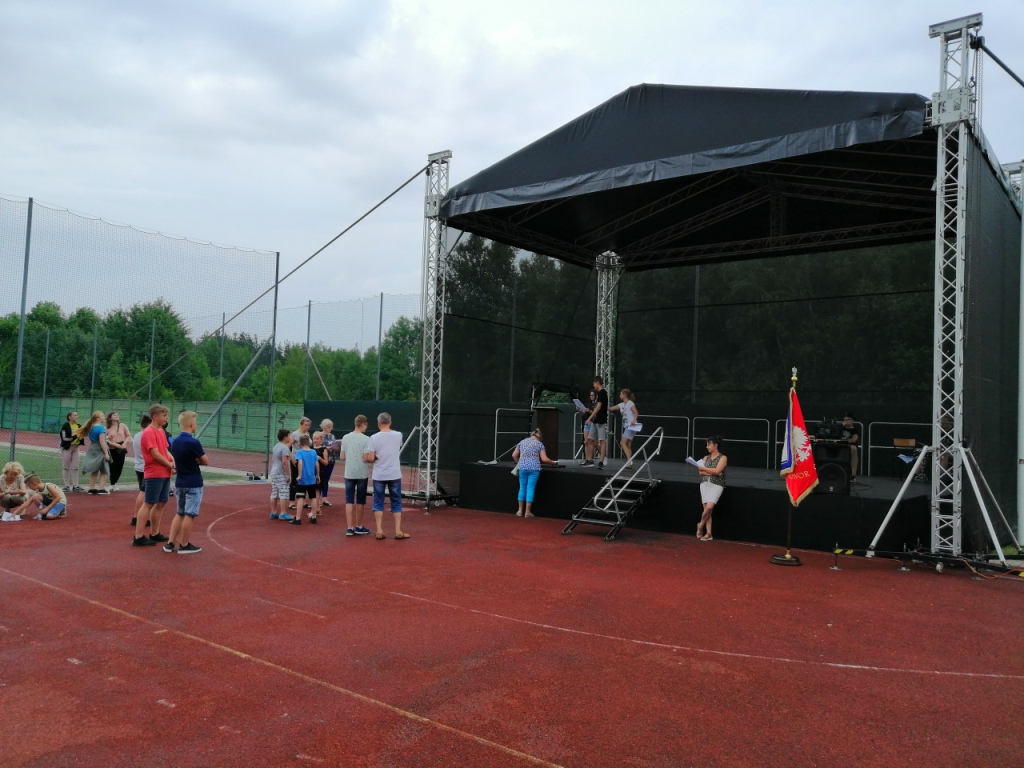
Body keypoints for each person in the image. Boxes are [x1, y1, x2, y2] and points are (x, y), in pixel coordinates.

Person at [165, 410, 208, 554]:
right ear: (190, 424)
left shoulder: (175, 441)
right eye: (195, 422)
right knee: (190, 514)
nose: (196, 424)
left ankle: (170, 543)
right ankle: (184, 544)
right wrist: (197, 460)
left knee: (180, 513)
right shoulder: (193, 442)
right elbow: (205, 460)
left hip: (180, 482)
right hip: (193, 482)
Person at [134, 404, 175, 547]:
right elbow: (155, 454)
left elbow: (165, 450)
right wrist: (169, 464)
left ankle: (155, 533)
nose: (166, 418)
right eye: (164, 415)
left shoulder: (161, 431)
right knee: (148, 503)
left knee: (161, 502)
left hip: (164, 472)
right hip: (154, 473)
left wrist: (172, 462)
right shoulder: (148, 432)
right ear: (155, 417)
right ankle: (139, 536)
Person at [364, 412, 408, 540]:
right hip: (394, 473)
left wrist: (372, 458)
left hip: (379, 474)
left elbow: (371, 458)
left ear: (379, 423)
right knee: (396, 501)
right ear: (390, 422)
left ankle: (379, 530)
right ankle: (398, 530)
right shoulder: (398, 435)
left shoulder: (373, 438)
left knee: (378, 502)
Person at [512, 428, 559, 518]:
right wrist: (553, 462)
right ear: (540, 437)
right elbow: (544, 459)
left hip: (522, 467)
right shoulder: (539, 444)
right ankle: (527, 512)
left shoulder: (522, 442)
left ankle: (519, 511)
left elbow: (514, 455)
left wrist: (519, 462)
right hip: (534, 468)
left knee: (522, 487)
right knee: (530, 488)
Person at [340, 414, 372, 536]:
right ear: (363, 424)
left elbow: (342, 457)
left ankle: (349, 527)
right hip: (362, 472)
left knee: (349, 500)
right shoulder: (366, 439)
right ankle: (359, 525)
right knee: (360, 500)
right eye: (366, 425)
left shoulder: (345, 437)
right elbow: (365, 457)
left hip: (349, 472)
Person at [695, 436, 727, 541]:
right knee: (707, 510)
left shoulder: (723, 458)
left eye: (709, 445)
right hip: (704, 483)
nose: (707, 447)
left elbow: (717, 471)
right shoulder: (705, 458)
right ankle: (709, 534)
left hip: (717, 484)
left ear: (715, 445)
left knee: (709, 507)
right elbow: (700, 472)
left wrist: (705, 469)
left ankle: (700, 526)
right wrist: (712, 472)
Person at [76, 411, 112, 494]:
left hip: (93, 448)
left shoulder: (91, 427)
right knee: (104, 470)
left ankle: (91, 488)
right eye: (102, 416)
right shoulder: (101, 428)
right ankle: (101, 488)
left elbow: (97, 438)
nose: (104, 417)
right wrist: (106, 453)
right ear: (98, 418)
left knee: (94, 470)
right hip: (99, 449)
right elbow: (102, 441)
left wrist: (106, 437)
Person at [580, 376, 609, 468]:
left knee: (602, 440)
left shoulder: (602, 392)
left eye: (594, 383)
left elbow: (598, 407)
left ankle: (601, 460)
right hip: (595, 421)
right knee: (590, 439)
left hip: (600, 420)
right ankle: (589, 460)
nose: (593, 385)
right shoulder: (599, 393)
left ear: (597, 383)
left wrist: (589, 418)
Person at [291, 434, 320, 525]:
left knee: (300, 497)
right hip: (311, 478)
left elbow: (300, 463)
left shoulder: (299, 452)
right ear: (309, 442)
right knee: (313, 497)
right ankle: (314, 517)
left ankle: (298, 518)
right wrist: (318, 475)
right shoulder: (313, 452)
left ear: (300, 443)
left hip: (303, 479)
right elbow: (317, 464)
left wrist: (299, 475)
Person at [268, 429, 295, 521]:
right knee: (284, 492)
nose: (290, 437)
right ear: (285, 437)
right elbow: (284, 462)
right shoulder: (284, 448)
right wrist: (288, 474)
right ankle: (283, 513)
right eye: (289, 436)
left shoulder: (276, 446)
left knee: (274, 492)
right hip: (280, 473)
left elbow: (274, 459)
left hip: (274, 471)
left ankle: (273, 512)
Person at [608, 388, 640, 468]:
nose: (620, 395)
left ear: (625, 395)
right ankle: (629, 462)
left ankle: (629, 461)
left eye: (621, 394)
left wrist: (634, 420)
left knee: (622, 443)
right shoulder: (621, 404)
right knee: (628, 445)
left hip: (631, 425)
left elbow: (636, 412)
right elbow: (611, 408)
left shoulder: (630, 403)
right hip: (628, 426)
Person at [130, 414, 152, 528]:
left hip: (139, 466)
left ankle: (139, 516)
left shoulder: (137, 435)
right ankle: (138, 517)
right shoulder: (146, 436)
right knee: (144, 492)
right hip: (146, 467)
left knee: (143, 492)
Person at [289, 417, 313, 509]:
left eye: (309, 425)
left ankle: (302, 500)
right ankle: (291, 502)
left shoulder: (307, 434)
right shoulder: (295, 434)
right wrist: (292, 458)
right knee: (294, 480)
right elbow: (287, 447)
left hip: (306, 460)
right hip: (297, 459)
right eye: (305, 425)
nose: (307, 427)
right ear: (301, 424)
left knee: (304, 480)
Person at [105, 411, 132, 491]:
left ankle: (115, 482)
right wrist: (112, 443)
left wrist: (124, 443)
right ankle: (112, 484)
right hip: (112, 448)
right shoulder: (106, 428)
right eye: (114, 415)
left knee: (120, 466)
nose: (116, 416)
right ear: (110, 417)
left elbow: (128, 436)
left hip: (121, 447)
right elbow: (105, 439)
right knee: (112, 466)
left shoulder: (122, 425)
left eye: (117, 415)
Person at [59, 410, 84, 491]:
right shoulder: (65, 426)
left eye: (77, 415)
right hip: (67, 448)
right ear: (70, 417)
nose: (77, 417)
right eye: (75, 415)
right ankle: (66, 485)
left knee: (75, 467)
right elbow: (64, 438)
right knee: (66, 467)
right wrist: (75, 436)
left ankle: (75, 485)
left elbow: (81, 436)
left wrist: (82, 435)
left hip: (76, 448)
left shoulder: (79, 426)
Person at [318, 419, 338, 508]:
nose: (330, 428)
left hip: (331, 459)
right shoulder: (319, 435)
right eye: (328, 427)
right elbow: (316, 446)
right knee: (320, 478)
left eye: (331, 427)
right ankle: (318, 498)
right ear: (324, 427)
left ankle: (324, 498)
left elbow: (336, 447)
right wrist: (326, 448)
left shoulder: (332, 436)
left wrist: (336, 447)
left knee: (326, 479)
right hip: (322, 459)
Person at [841, 413, 861, 481]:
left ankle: (853, 474)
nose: (846, 421)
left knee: (853, 449)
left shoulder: (855, 430)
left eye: (848, 419)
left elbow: (854, 440)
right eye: (845, 420)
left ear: (852, 421)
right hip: (840, 444)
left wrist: (845, 441)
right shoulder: (840, 428)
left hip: (850, 445)